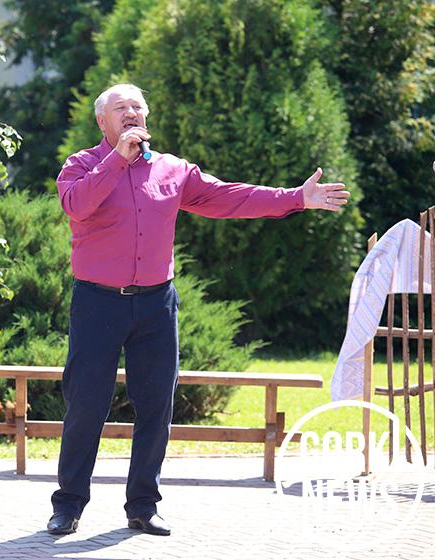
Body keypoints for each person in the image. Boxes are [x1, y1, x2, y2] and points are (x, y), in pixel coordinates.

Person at [48, 84, 349, 536]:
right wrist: (118, 160)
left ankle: (143, 505)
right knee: (86, 406)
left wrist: (295, 198)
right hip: (98, 302)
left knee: (156, 406)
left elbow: (229, 197)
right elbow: (77, 205)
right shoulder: (81, 165)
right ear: (102, 122)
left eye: (137, 106)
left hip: (156, 304)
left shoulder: (172, 170)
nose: (130, 112)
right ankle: (69, 505)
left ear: (146, 116)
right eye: (120, 107)